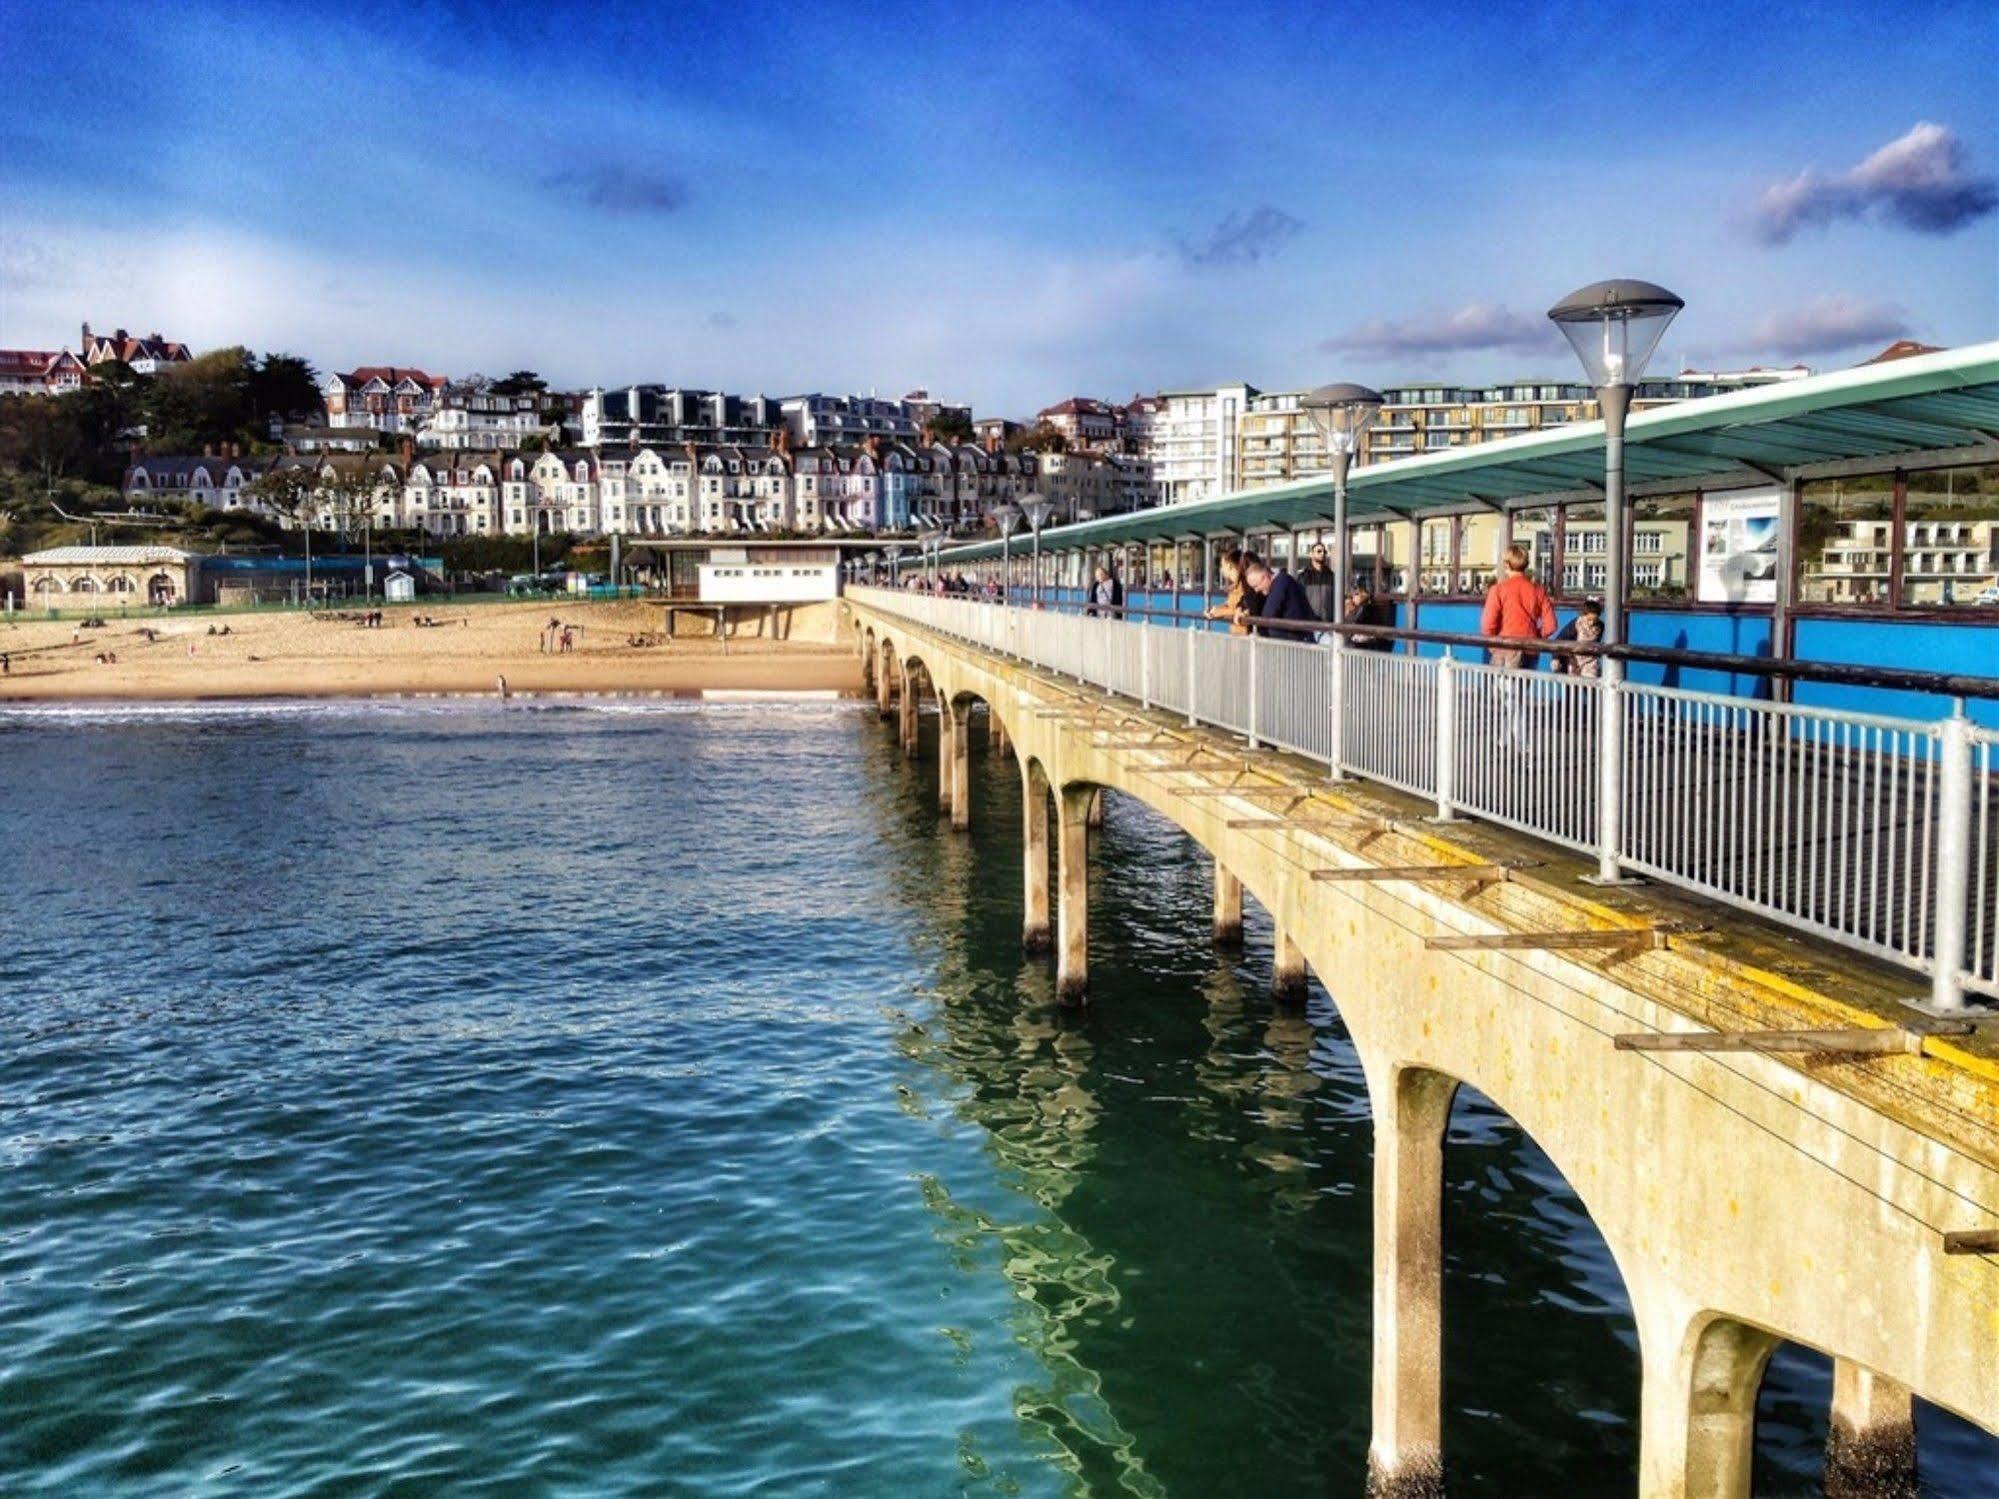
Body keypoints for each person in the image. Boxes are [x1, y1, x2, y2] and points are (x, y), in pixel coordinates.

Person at [1480, 544, 1557, 670]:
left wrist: (1495, 648)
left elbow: (1487, 626)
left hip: (1504, 649)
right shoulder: (1538, 591)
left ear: (1506, 565)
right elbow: (1551, 625)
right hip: (1530, 649)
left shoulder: (1498, 590)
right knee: (1522, 689)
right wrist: (1536, 636)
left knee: (1499, 689)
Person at [1236, 553, 1315, 637]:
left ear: (1265, 577)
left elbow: (1268, 614)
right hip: (1292, 640)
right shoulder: (1280, 581)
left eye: (1256, 586)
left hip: (1297, 641)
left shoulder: (1281, 582)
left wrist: (1249, 613)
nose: (1256, 590)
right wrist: (1241, 607)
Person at [1205, 549, 1262, 635]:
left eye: (1222, 565)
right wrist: (1213, 610)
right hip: (1236, 633)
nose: (1221, 569)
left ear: (1229, 565)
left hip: (1246, 634)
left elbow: (1245, 608)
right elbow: (1229, 604)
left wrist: (1219, 612)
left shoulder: (1247, 585)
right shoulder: (1235, 586)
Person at [1297, 542, 1338, 624]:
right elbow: (1299, 601)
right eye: (1319, 551)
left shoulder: (1332, 576)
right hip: (1309, 624)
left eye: (1324, 552)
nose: (1322, 554)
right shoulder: (1303, 577)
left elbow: (1335, 600)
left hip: (1328, 623)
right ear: (1311, 554)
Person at [1343, 585, 1392, 651]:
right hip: (1366, 637)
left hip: (1366, 640)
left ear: (1361, 595)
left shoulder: (1364, 607)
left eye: (1355, 595)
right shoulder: (1364, 606)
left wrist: (1348, 613)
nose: (1353, 597)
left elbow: (1355, 623)